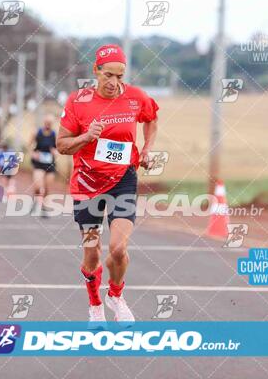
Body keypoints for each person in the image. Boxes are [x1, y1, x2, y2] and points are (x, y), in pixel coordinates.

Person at [56, 44, 159, 328]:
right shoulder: (78, 101)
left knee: (117, 249)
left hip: (123, 180)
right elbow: (62, 145)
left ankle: (115, 295)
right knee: (92, 252)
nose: (114, 83)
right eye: (108, 75)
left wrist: (147, 149)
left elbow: (152, 120)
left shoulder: (136, 98)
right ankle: (94, 303)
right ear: (96, 71)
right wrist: (87, 137)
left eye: (120, 76)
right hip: (87, 184)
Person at [29, 114, 57, 217]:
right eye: (47, 122)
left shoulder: (54, 134)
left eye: (50, 123)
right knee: (38, 185)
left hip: (50, 163)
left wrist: (55, 151)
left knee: (47, 187)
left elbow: (58, 148)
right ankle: (35, 202)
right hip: (39, 163)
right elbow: (29, 145)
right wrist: (33, 153)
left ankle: (43, 208)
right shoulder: (37, 132)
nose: (48, 125)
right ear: (44, 122)